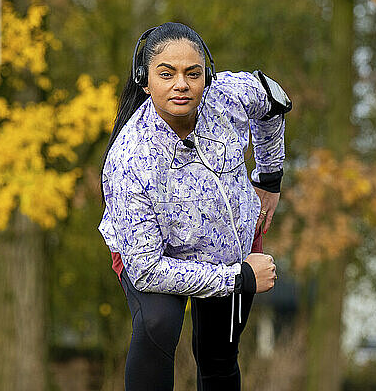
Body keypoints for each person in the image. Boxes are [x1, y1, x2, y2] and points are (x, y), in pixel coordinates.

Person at [98, 22, 291, 391]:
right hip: (156, 256)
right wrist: (240, 278)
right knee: (158, 324)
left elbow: (274, 100)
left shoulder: (227, 96)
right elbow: (146, 269)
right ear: (145, 79)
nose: (181, 84)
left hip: (228, 248)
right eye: (166, 74)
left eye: (193, 73)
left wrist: (269, 176)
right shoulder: (129, 159)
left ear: (208, 75)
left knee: (219, 356)